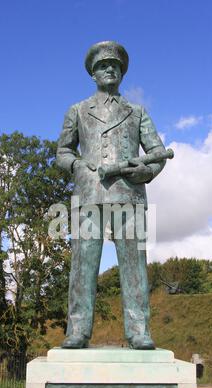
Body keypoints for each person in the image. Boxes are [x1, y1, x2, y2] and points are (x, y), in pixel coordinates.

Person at [56, 41, 167, 349]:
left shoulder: (137, 111)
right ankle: (77, 330)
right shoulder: (77, 111)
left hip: (128, 195)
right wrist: (77, 165)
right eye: (103, 66)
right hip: (89, 194)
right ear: (93, 74)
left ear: (121, 72)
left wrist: (145, 172)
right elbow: (62, 151)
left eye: (115, 66)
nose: (110, 70)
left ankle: (139, 331)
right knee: (82, 266)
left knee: (134, 266)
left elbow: (157, 153)